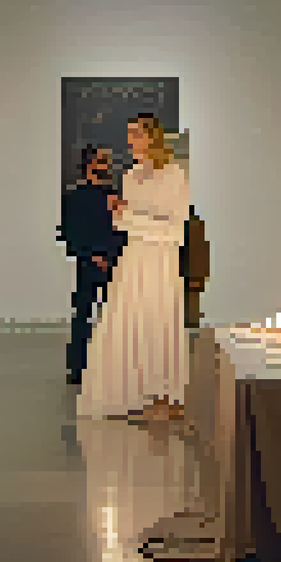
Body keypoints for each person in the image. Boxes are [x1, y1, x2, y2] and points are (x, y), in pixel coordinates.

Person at [79, 114, 189, 422]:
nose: (131, 141)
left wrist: (130, 215)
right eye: (129, 134)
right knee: (131, 321)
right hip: (134, 258)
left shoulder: (174, 174)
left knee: (159, 322)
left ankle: (165, 394)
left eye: (137, 134)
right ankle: (136, 392)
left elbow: (174, 230)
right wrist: (123, 214)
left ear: (153, 137)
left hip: (161, 259)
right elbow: (125, 223)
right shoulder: (130, 175)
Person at [58, 146, 125, 386]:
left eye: (108, 159)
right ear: (90, 163)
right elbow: (69, 233)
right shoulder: (75, 196)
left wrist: (114, 256)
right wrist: (91, 255)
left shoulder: (115, 196)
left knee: (113, 318)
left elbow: (122, 230)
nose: (107, 164)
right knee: (84, 316)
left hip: (114, 263)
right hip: (89, 264)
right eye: (103, 160)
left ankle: (110, 367)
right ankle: (78, 369)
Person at [180, 206, 210, 329]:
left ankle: (191, 324)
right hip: (192, 272)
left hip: (190, 273)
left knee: (190, 304)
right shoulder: (196, 226)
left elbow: (195, 251)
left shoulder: (191, 226)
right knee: (191, 302)